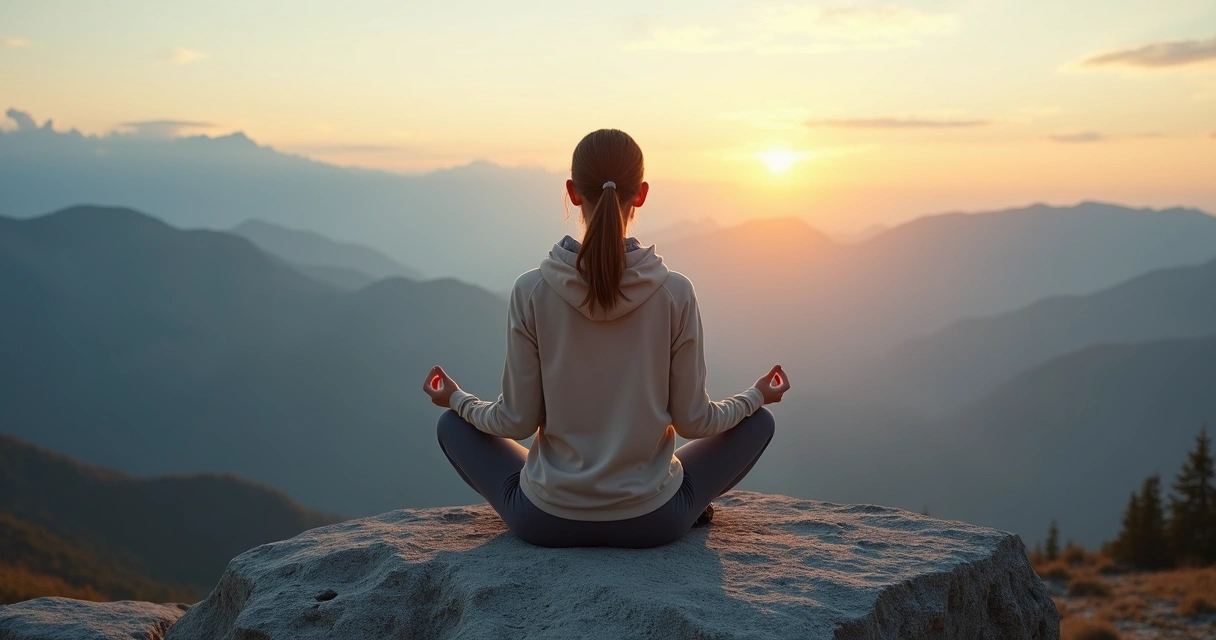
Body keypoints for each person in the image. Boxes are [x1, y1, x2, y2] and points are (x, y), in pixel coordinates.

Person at [423, 128, 790, 548]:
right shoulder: (675, 292)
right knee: (759, 423)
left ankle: (558, 488)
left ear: (573, 192)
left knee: (451, 424)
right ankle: (689, 504)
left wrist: (454, 398)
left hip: (544, 521)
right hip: (655, 522)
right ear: (642, 194)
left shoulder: (531, 290)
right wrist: (757, 396)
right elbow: (695, 421)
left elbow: (516, 422)